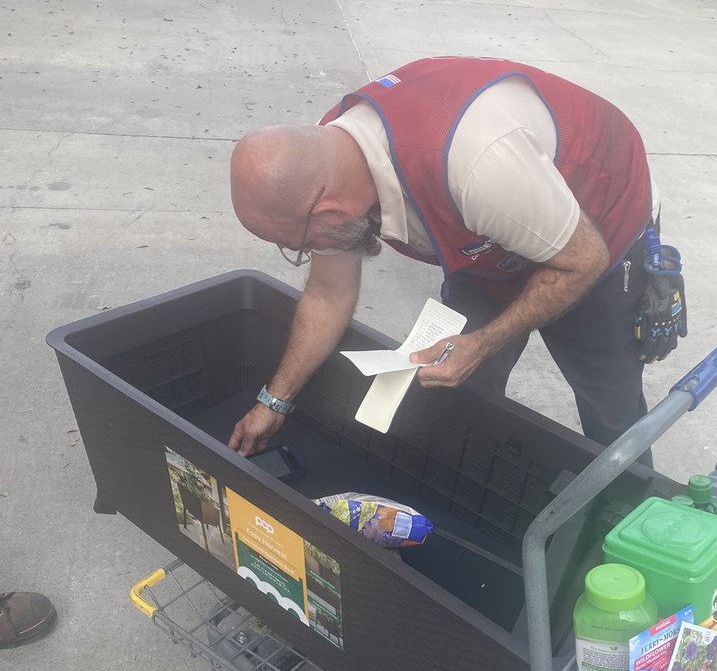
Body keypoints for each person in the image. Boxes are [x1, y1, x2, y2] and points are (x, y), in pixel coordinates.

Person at [228, 57, 686, 459]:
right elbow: (328, 294)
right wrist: (274, 402)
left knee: (609, 406)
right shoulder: (328, 160)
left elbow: (581, 259)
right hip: (499, 230)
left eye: (300, 245)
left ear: (330, 210)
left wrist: (484, 342)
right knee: (459, 389)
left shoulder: (475, 163)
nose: (308, 253)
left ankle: (633, 525)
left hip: (598, 222)